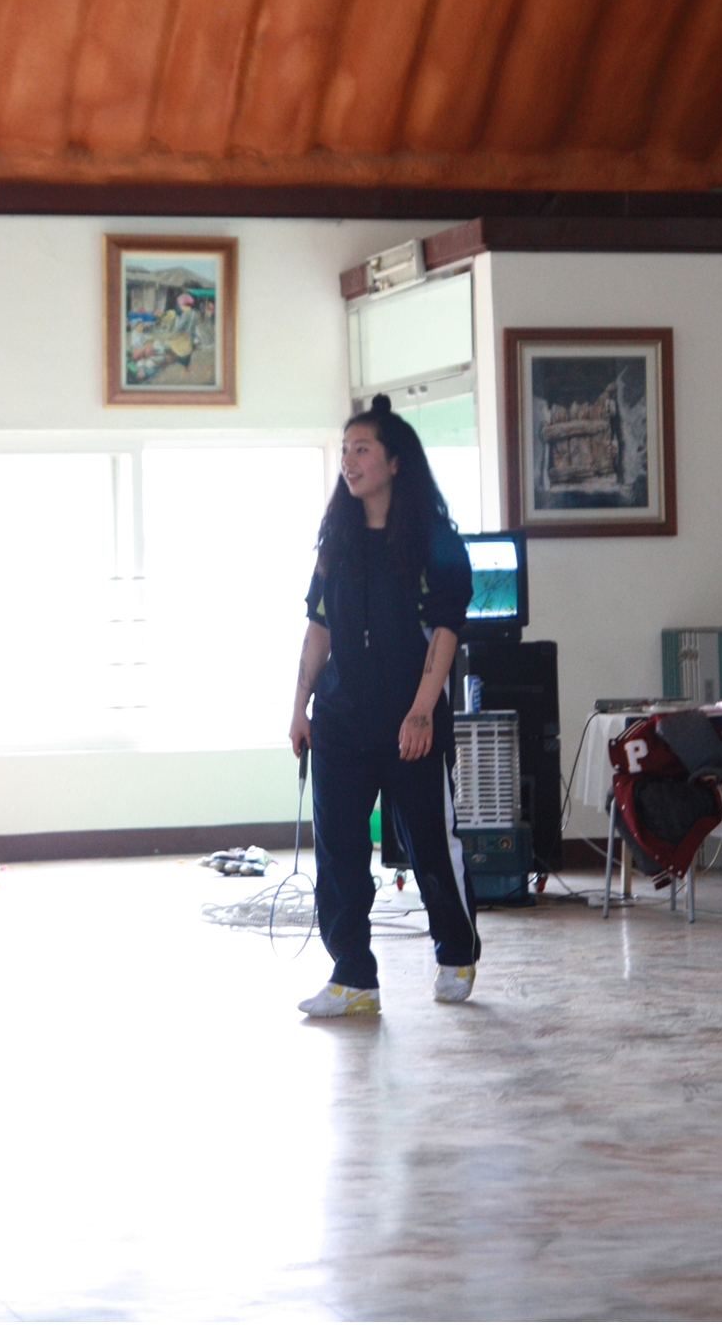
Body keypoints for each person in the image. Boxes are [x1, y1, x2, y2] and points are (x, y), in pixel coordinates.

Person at [289, 394, 479, 1017]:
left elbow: (445, 631)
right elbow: (318, 629)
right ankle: (353, 976)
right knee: (339, 850)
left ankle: (456, 950)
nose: (349, 461)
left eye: (362, 449)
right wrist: (300, 707)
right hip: (340, 719)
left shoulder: (435, 541)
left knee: (429, 843)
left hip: (408, 719)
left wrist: (422, 711)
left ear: (395, 461)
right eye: (345, 450)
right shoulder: (336, 541)